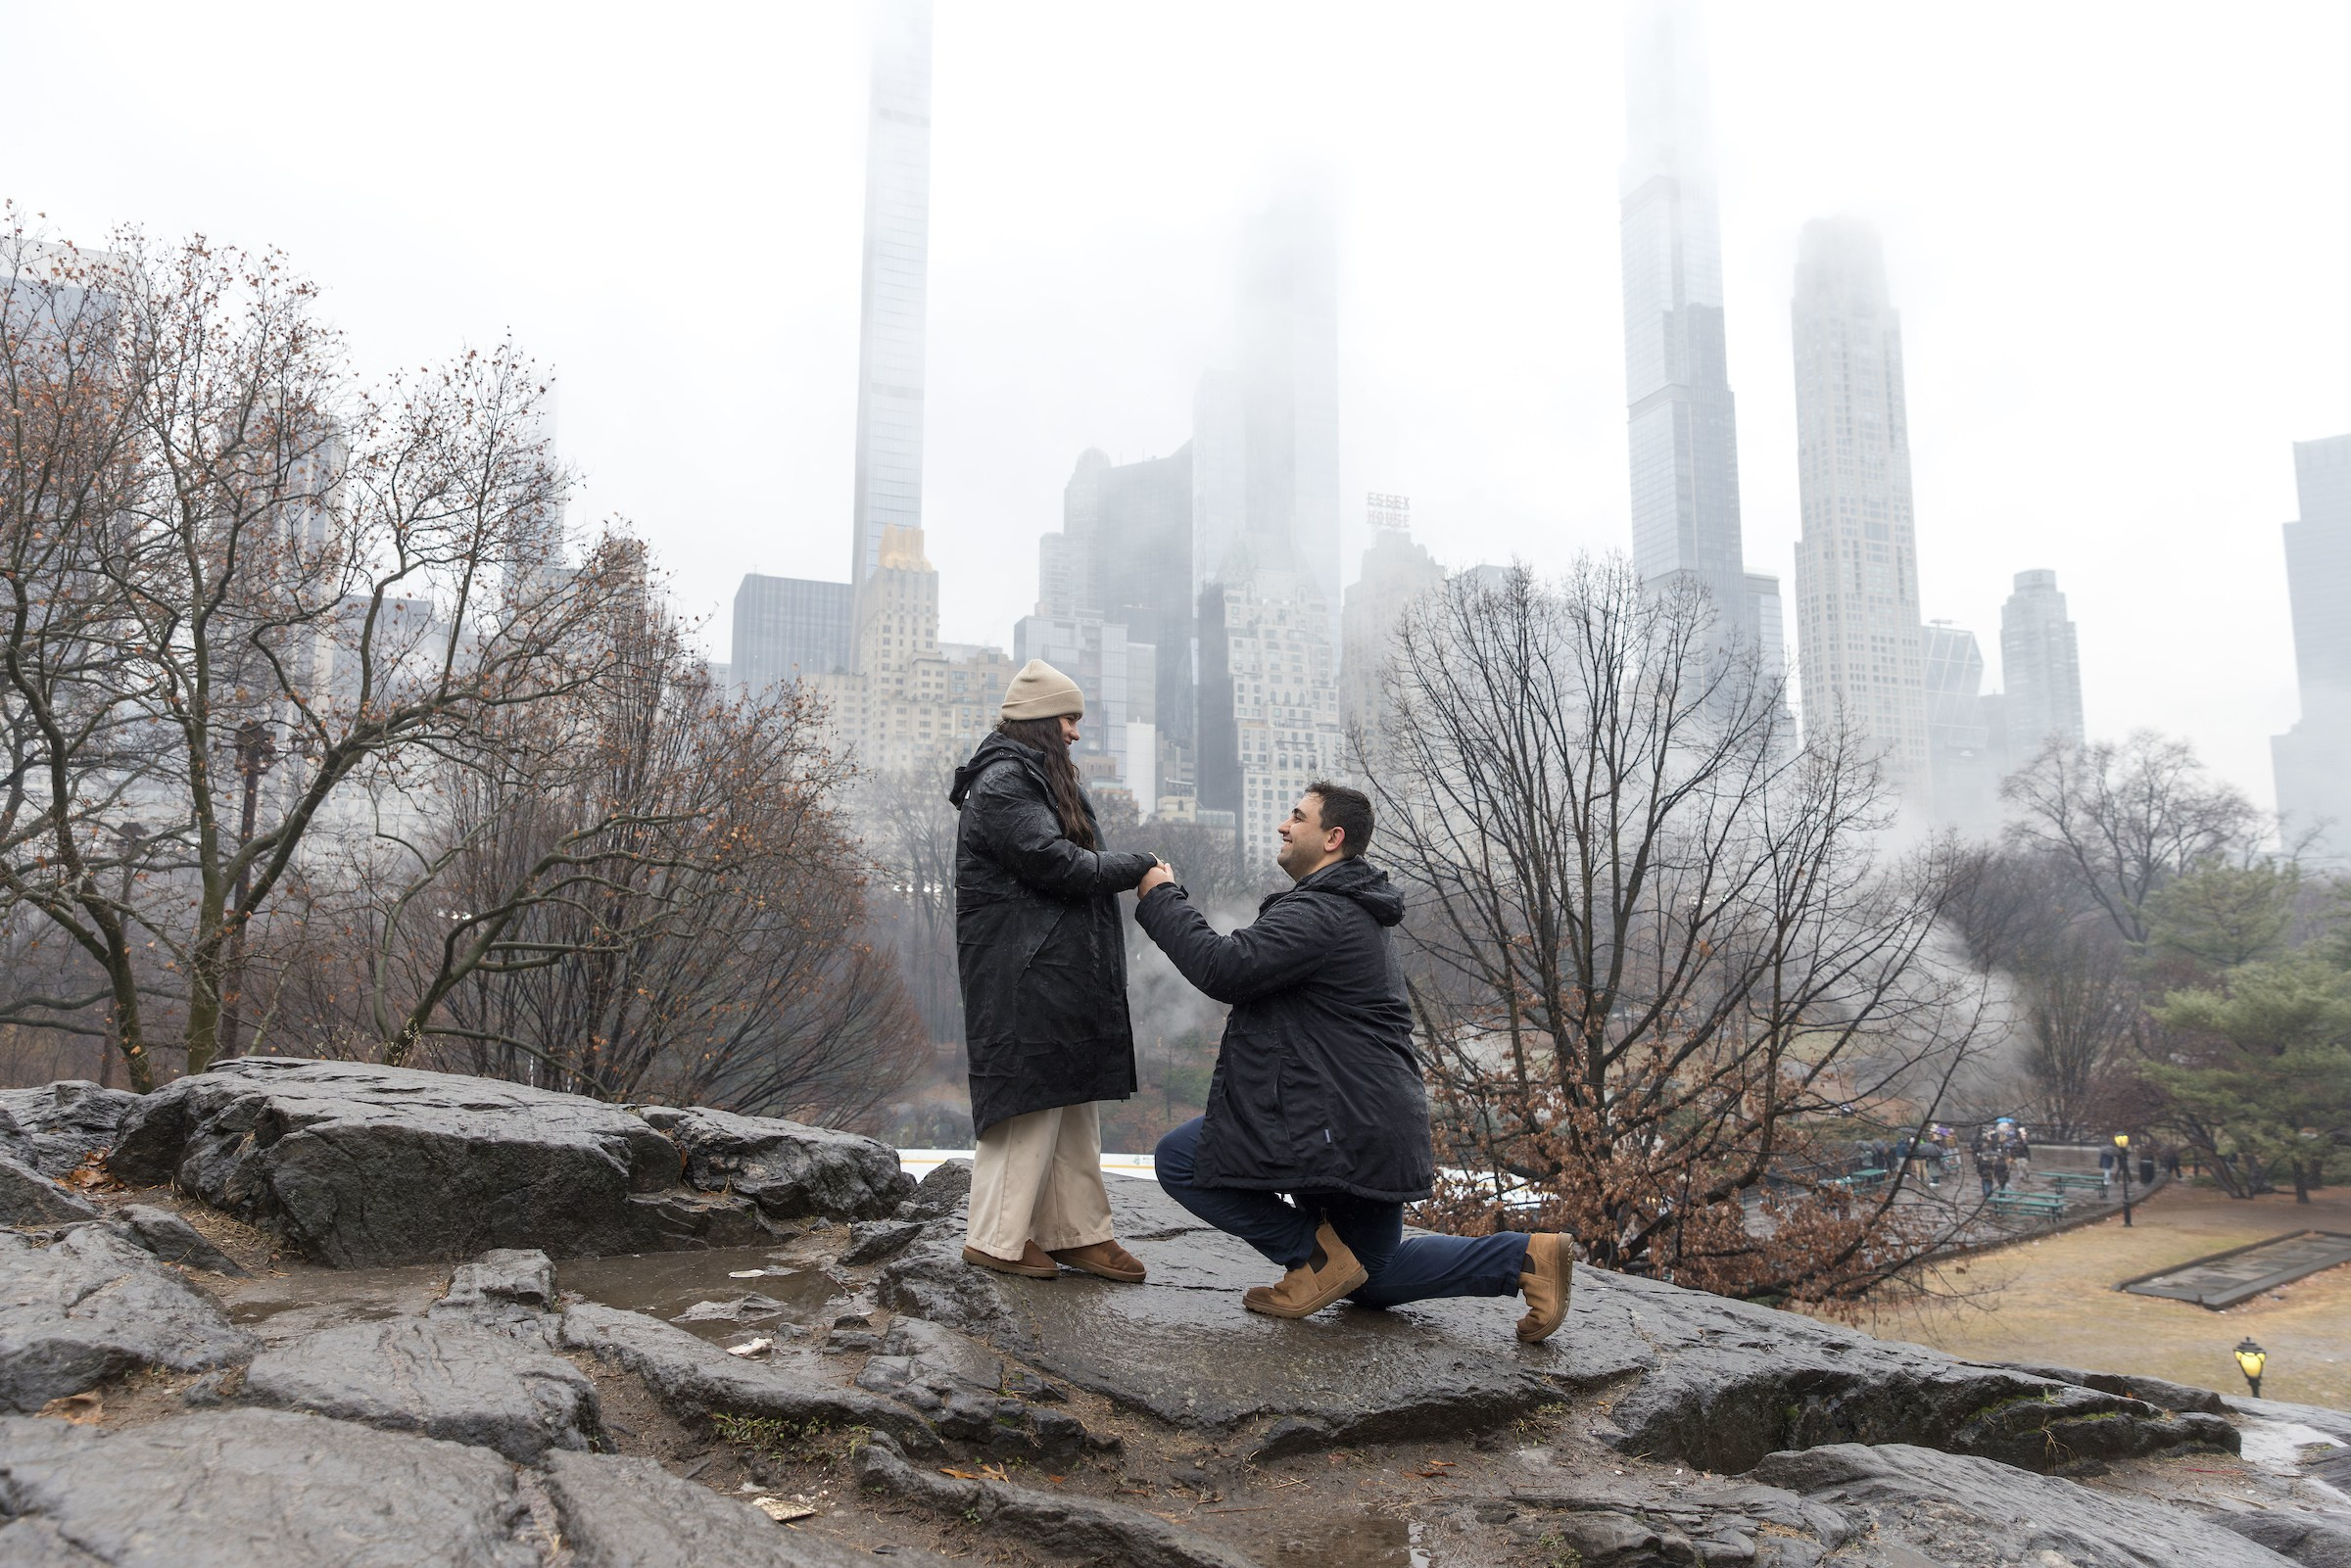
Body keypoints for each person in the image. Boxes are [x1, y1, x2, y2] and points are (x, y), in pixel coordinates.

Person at [1131, 782, 1574, 1342]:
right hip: (1357, 1121)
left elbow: (1224, 968)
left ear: (1333, 838)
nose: (1283, 826)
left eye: (1297, 817)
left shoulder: (1323, 912)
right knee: (1372, 1277)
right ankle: (1527, 1258)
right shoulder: (1347, 909)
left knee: (1180, 1159)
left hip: (1335, 1124)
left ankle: (1311, 1256)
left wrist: (1160, 896)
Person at [948, 660, 1157, 1284]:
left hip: (1048, 970)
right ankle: (997, 1237)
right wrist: (1138, 865)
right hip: (1022, 973)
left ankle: (1077, 1234)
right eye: (1069, 718)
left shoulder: (1030, 775)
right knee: (1029, 1103)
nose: (1075, 731)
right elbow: (1055, 862)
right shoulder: (1006, 781)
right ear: (1040, 721)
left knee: (1068, 1099)